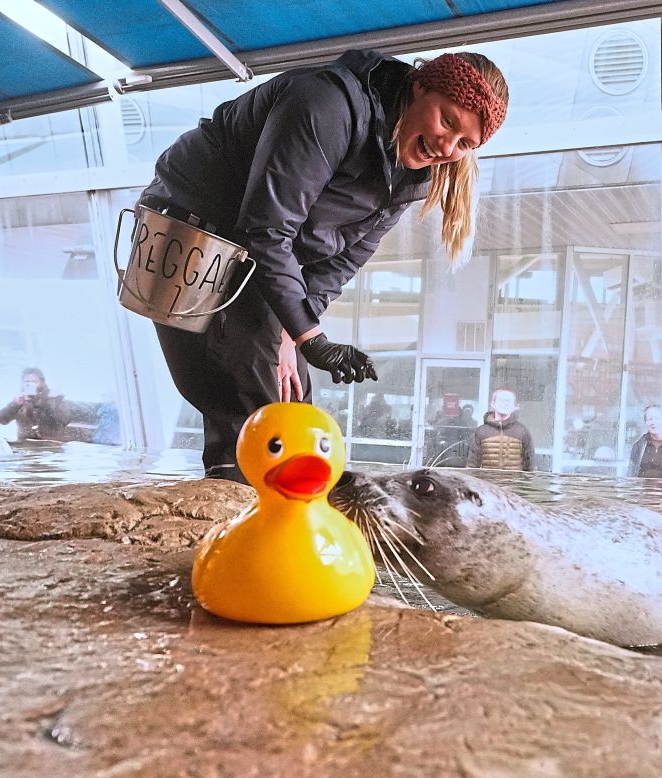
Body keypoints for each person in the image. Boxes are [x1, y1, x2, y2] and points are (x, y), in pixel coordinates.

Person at [137, 50, 508, 483]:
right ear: (420, 86)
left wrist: (291, 335)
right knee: (258, 410)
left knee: (291, 404)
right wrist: (308, 337)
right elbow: (268, 229)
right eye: (447, 121)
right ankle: (247, 522)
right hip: (196, 225)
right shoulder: (326, 105)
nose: (447, 148)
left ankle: (280, 518)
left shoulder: (410, 177)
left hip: (259, 257)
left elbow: (341, 261)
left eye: (465, 144)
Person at [0, 368, 96, 442]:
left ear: (42, 382)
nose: (30, 385)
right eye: (27, 382)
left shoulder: (54, 398)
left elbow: (63, 419)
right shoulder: (20, 401)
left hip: (51, 449)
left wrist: (45, 403)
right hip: (27, 448)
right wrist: (15, 405)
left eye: (33, 382)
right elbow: (1, 420)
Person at [466, 387, 534, 471]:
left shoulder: (522, 431)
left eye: (508, 401)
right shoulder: (481, 432)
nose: (505, 404)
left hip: (514, 483)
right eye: (501, 400)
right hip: (487, 482)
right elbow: (471, 466)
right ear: (492, 404)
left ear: (515, 407)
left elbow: (531, 467)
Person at [627, 404, 662, 479]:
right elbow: (631, 474)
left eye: (657, 418)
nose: (653, 422)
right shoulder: (639, 446)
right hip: (643, 489)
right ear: (646, 423)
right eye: (650, 419)